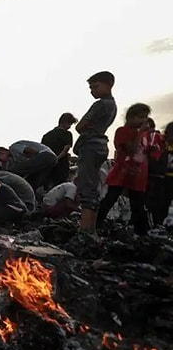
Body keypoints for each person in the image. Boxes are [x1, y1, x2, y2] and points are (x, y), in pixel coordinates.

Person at [97, 103, 151, 236]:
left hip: (137, 175)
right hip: (122, 173)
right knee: (110, 199)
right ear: (131, 117)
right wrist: (140, 133)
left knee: (137, 205)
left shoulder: (145, 135)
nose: (143, 121)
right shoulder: (122, 131)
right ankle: (96, 224)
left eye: (145, 118)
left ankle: (142, 234)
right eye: (140, 117)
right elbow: (131, 148)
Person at [74, 71, 117, 233]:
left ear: (109, 84)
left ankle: (85, 230)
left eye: (96, 86)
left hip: (91, 145)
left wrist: (85, 126)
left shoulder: (101, 104)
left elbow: (79, 127)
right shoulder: (112, 105)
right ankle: (90, 230)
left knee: (87, 188)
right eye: (91, 88)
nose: (93, 91)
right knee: (93, 187)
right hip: (101, 145)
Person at [41, 113, 77, 187]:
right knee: (60, 187)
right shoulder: (67, 134)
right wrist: (56, 159)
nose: (70, 127)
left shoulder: (47, 135)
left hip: (47, 165)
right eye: (69, 124)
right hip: (61, 166)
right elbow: (65, 150)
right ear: (65, 122)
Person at [143, 118, 167, 225]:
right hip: (151, 174)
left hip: (154, 174)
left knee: (154, 202)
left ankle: (155, 224)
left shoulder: (156, 138)